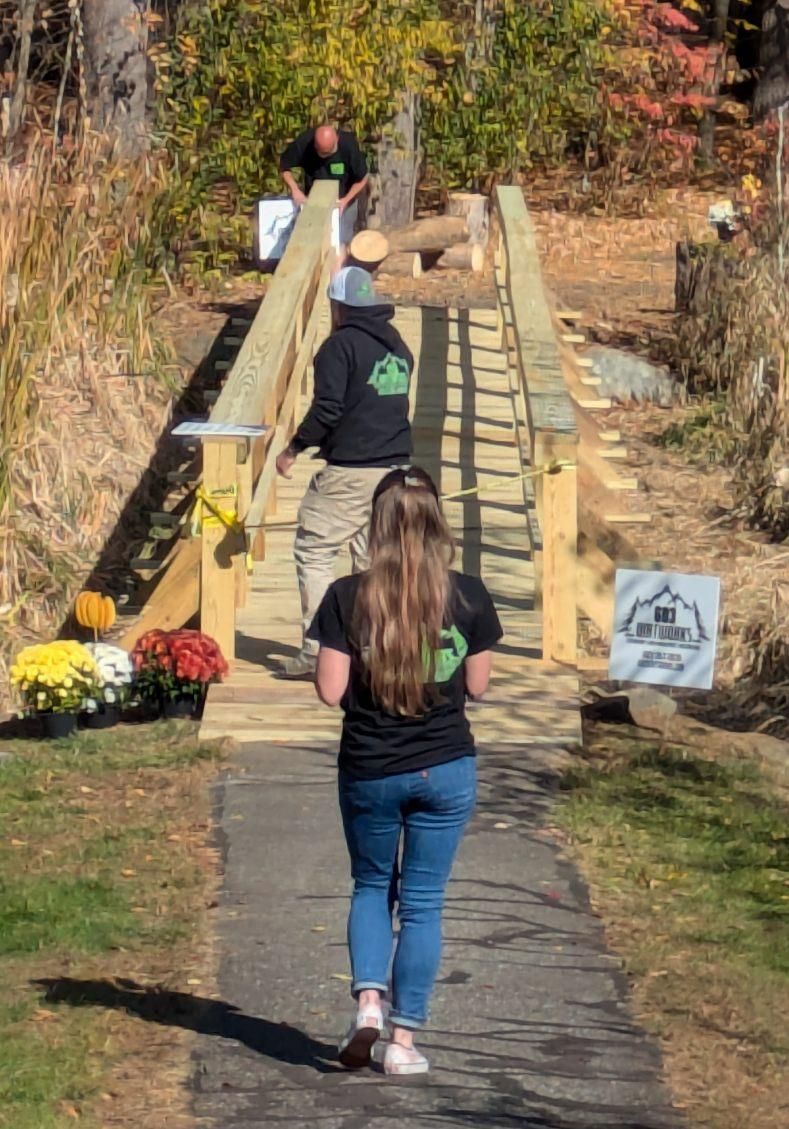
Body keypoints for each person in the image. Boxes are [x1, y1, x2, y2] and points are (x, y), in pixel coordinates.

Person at [308, 467, 503, 1075]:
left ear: (376, 527)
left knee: (371, 887)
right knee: (422, 904)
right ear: (438, 523)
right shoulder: (467, 595)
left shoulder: (347, 596)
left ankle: (367, 1003)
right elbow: (478, 686)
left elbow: (329, 691)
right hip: (445, 767)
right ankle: (404, 1043)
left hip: (371, 766)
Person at [275, 267, 413, 680]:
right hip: (397, 469)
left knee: (314, 551)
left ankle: (320, 649)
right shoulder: (398, 347)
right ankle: (371, 647)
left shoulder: (338, 347)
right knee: (371, 559)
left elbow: (328, 409)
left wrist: (295, 447)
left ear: (338, 307)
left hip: (352, 469)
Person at [279, 124, 368, 251]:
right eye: (321, 152)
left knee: (340, 241)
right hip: (314, 200)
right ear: (315, 144)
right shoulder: (304, 143)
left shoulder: (348, 145)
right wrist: (295, 189)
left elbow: (362, 178)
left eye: (329, 152)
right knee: (314, 241)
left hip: (343, 200)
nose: (324, 156)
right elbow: (284, 166)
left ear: (336, 140)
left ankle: (338, 268)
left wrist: (345, 200)